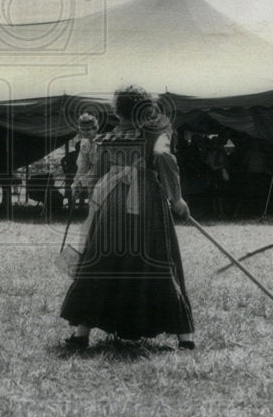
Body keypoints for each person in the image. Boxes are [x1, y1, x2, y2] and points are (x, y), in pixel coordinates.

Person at [60, 86, 195, 351]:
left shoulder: (112, 135)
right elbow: (162, 156)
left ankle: (81, 333)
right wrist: (177, 198)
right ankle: (185, 337)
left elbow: (99, 170)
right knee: (157, 260)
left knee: (101, 261)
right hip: (146, 201)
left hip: (112, 201)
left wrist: (82, 183)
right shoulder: (159, 131)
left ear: (118, 109)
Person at [68, 112, 100, 207]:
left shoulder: (102, 143)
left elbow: (99, 167)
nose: (85, 132)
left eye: (88, 129)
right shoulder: (84, 144)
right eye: (82, 129)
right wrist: (75, 184)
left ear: (95, 128)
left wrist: (82, 182)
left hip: (106, 178)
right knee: (93, 208)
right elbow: (82, 166)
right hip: (92, 181)